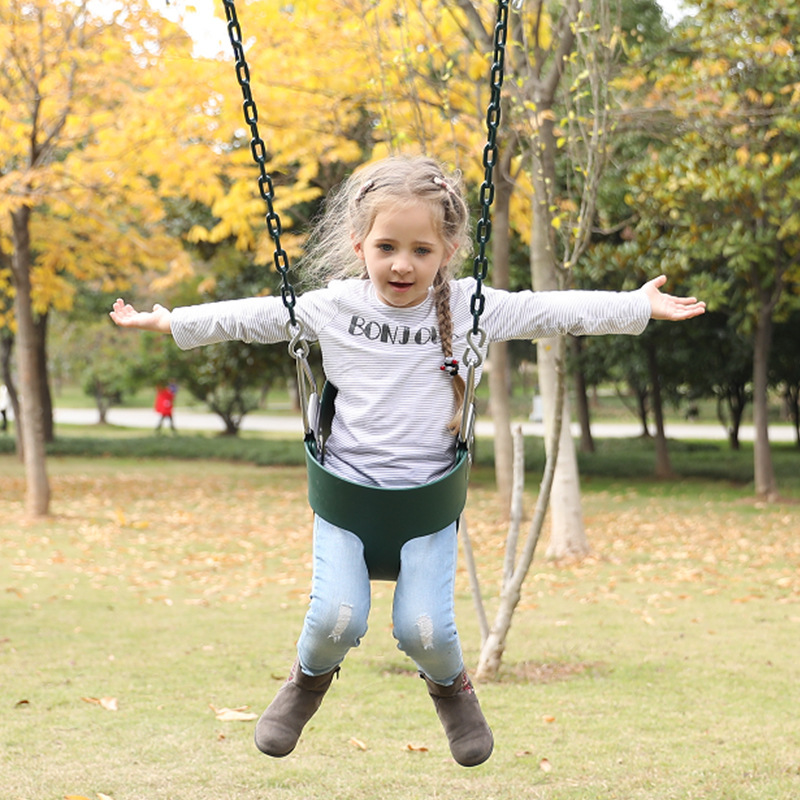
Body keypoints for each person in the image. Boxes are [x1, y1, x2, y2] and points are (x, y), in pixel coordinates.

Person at [109, 155, 705, 767]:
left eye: (421, 250)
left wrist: (633, 307)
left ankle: (452, 690)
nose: (402, 264)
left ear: (447, 250)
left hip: (427, 503)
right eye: (387, 246)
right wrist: (172, 320)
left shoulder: (473, 307)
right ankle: (305, 684)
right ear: (358, 243)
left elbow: (551, 310)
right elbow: (251, 317)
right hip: (347, 495)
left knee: (426, 630)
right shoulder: (333, 306)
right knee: (335, 620)